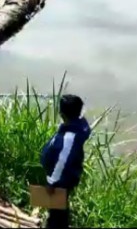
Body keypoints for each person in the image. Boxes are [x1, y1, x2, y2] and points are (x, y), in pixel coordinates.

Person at [40, 94, 91, 229]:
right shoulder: (78, 126)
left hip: (61, 180)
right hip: (68, 175)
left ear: (62, 114)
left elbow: (61, 162)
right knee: (61, 205)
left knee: (56, 209)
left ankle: (56, 225)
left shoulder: (69, 138)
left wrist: (52, 182)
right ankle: (61, 222)